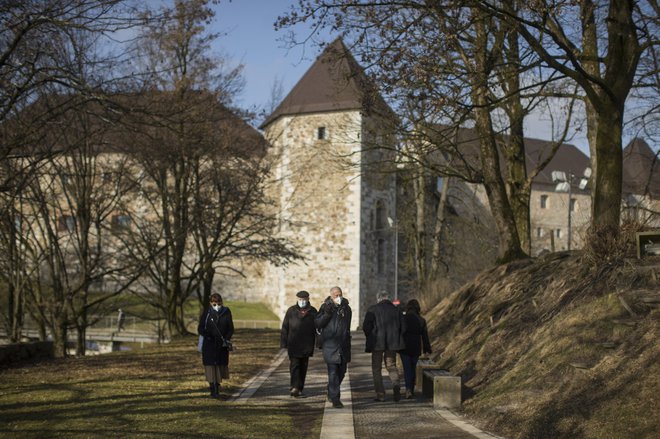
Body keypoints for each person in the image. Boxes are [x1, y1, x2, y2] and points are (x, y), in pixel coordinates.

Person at [362, 290, 406, 402]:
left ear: (378, 299)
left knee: (376, 368)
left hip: (377, 343)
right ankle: (396, 386)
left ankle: (380, 394)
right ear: (388, 298)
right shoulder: (396, 310)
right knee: (391, 366)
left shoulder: (372, 309)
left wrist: (371, 336)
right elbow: (404, 328)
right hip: (392, 344)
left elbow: (366, 327)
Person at [316, 286, 352, 409]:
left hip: (343, 346)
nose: (338, 297)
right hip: (330, 345)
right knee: (333, 373)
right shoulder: (325, 307)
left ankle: (331, 390)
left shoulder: (347, 308)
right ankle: (335, 398)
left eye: (340, 294)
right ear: (331, 296)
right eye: (336, 295)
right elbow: (318, 323)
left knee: (342, 372)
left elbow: (347, 326)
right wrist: (326, 314)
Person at [281, 290, 318, 397]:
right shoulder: (291, 311)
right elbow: (285, 327)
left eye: (304, 299)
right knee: (294, 365)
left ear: (308, 299)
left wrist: (319, 342)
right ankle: (294, 387)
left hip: (307, 344)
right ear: (297, 299)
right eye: (300, 299)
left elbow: (317, 328)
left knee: (303, 366)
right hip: (293, 343)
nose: (302, 301)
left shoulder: (313, 311)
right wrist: (283, 343)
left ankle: (300, 387)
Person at [198, 293, 234, 398]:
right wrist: (208, 335)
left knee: (219, 366)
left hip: (221, 344)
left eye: (218, 303)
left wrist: (226, 338)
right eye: (214, 304)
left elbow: (231, 328)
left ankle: (217, 387)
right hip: (209, 344)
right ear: (210, 303)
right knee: (210, 366)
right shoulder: (207, 313)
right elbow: (200, 328)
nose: (217, 306)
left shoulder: (226, 312)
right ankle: (212, 389)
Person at [400, 299, 432, 399]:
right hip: (416, 346)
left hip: (404, 347)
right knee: (413, 368)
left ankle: (408, 389)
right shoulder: (421, 320)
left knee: (407, 369)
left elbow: (399, 332)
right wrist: (427, 348)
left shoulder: (403, 319)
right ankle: (411, 390)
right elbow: (425, 336)